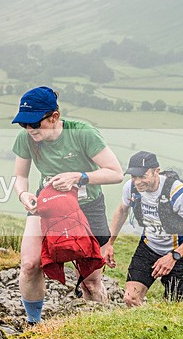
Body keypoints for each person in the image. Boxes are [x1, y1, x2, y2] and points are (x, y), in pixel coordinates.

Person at [11, 86, 123, 325]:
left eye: (34, 123)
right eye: (24, 124)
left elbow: (116, 173)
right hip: (46, 205)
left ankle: (102, 326)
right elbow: (20, 176)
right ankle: (34, 324)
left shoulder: (83, 133)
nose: (29, 129)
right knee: (30, 264)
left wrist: (79, 176)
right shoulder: (26, 139)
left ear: (54, 117)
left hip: (87, 206)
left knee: (90, 281)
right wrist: (23, 195)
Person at [101, 151, 183, 305]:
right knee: (130, 298)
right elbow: (122, 210)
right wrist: (110, 244)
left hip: (178, 252)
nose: (137, 182)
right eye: (133, 177)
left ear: (156, 171)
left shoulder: (176, 192)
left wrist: (174, 256)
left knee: (173, 305)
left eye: (142, 176)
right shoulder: (131, 188)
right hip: (148, 248)